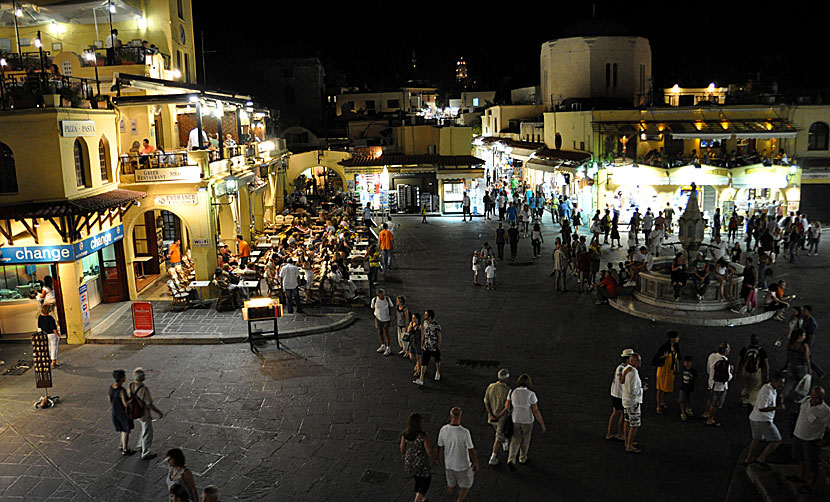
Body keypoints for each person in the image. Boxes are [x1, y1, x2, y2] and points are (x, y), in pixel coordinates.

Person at [789, 386, 830, 494]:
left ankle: (811, 484)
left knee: (812, 464)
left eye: (819, 398)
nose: (816, 400)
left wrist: (824, 441)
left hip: (811, 440)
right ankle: (801, 475)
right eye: (815, 397)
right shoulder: (806, 401)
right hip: (798, 435)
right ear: (811, 395)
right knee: (800, 457)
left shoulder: (826, 411)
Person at [503, 373, 546, 470]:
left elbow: (506, 406)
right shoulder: (531, 394)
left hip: (515, 418)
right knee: (525, 439)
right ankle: (522, 458)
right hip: (527, 420)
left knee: (515, 439)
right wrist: (542, 423)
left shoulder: (512, 392)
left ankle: (511, 459)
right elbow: (535, 410)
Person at [743, 373, 785, 468]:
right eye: (780, 383)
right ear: (774, 381)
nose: (782, 385)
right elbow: (762, 408)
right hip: (763, 420)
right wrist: (777, 408)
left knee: (756, 439)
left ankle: (748, 458)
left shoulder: (767, 387)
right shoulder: (768, 392)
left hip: (754, 418)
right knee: (776, 440)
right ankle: (761, 458)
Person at [437, 407, 478, 502]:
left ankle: (452, 498)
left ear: (451, 416)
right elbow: (471, 450)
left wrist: (438, 458)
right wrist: (476, 462)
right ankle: (459, 500)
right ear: (460, 416)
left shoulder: (443, 429)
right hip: (462, 465)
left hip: (449, 464)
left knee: (451, 484)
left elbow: (440, 446)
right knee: (465, 485)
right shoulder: (465, 432)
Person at [129, 367, 164, 460]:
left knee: (144, 429)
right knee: (148, 432)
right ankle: (146, 452)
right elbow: (149, 404)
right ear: (142, 377)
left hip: (135, 412)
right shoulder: (144, 389)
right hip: (144, 413)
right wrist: (158, 412)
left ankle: (140, 445)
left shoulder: (131, 385)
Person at [400, 412, 435, 502]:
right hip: (421, 462)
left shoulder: (406, 434)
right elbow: (429, 450)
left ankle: (420, 498)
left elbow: (402, 447)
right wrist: (435, 459)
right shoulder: (423, 435)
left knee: (417, 478)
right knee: (426, 480)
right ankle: (418, 499)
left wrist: (404, 454)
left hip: (410, 461)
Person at [483, 369, 511, 465]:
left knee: (498, 432)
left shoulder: (490, 387)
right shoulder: (508, 391)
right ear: (506, 379)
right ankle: (493, 457)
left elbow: (486, 402)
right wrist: (498, 416)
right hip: (501, 418)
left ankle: (504, 443)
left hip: (492, 417)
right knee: (498, 437)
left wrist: (491, 414)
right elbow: (507, 407)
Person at [620, 353, 646, 453]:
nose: (640, 362)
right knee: (634, 424)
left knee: (627, 421)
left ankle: (627, 441)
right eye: (638, 360)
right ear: (631, 361)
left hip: (626, 401)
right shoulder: (633, 373)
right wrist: (642, 389)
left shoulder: (626, 369)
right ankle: (629, 445)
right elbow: (633, 390)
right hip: (633, 402)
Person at [737, 334, 769, 407]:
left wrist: (737, 371)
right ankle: (752, 402)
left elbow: (739, 361)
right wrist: (767, 374)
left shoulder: (745, 349)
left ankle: (744, 400)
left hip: (745, 371)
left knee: (746, 385)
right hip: (756, 372)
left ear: (750, 341)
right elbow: (766, 364)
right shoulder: (761, 351)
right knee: (755, 387)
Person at [705, 342, 733, 427]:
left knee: (710, 398)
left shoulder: (712, 356)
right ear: (726, 351)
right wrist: (731, 371)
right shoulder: (725, 361)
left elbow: (708, 369)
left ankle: (706, 413)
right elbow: (727, 377)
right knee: (715, 403)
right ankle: (710, 419)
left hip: (711, 383)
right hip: (720, 386)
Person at [607, 349, 632, 441]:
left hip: (616, 393)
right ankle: (619, 433)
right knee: (621, 414)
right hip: (619, 395)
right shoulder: (623, 368)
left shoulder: (622, 367)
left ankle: (613, 433)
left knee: (617, 413)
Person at [653, 331, 680, 414]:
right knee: (660, 388)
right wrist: (663, 357)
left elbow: (677, 359)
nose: (678, 339)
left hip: (671, 370)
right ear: (672, 339)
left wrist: (677, 368)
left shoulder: (676, 346)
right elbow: (656, 358)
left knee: (666, 387)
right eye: (677, 337)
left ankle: (662, 400)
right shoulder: (664, 347)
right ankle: (658, 405)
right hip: (663, 370)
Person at [781, 328, 812, 404]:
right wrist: (810, 369)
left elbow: (788, 355)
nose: (804, 336)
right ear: (799, 336)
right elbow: (806, 358)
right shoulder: (804, 346)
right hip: (801, 367)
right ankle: (799, 398)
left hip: (791, 365)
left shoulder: (790, 344)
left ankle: (782, 395)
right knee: (802, 383)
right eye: (803, 335)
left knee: (790, 382)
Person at [109, 369, 135, 455]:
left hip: (115, 412)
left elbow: (110, 399)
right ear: (121, 378)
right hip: (122, 414)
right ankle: (125, 449)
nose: (125, 378)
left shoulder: (111, 387)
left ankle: (121, 445)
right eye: (124, 376)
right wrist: (132, 399)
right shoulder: (121, 390)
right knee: (125, 431)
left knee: (122, 430)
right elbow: (126, 404)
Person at [414, 309, 442, 386]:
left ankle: (437, 372)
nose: (424, 316)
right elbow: (423, 334)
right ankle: (421, 379)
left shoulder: (436, 325)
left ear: (430, 316)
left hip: (434, 346)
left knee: (437, 359)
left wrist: (438, 346)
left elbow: (439, 336)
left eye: (426, 315)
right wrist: (422, 344)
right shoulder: (425, 323)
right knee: (424, 362)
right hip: (427, 346)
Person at [801, 305, 823, 378]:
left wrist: (809, 347)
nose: (802, 312)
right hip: (804, 340)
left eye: (804, 311)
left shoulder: (812, 323)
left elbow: (811, 336)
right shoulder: (805, 318)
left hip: (808, 342)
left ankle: (819, 372)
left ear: (809, 312)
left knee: (807, 358)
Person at [372, 289, 394, 356]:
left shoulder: (387, 299)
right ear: (378, 295)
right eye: (381, 295)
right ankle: (382, 345)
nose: (382, 296)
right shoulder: (374, 300)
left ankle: (388, 347)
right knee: (379, 332)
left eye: (383, 294)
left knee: (386, 332)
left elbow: (391, 306)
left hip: (386, 319)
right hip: (378, 319)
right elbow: (373, 307)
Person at [678, 355, 698, 421]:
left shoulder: (694, 371)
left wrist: (695, 387)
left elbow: (696, 379)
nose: (687, 363)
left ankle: (688, 409)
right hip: (683, 388)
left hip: (690, 388)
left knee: (689, 400)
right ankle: (683, 412)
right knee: (682, 400)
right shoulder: (682, 369)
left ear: (691, 362)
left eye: (688, 362)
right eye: (685, 362)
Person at [407, 312, 423, 377]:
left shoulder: (420, 326)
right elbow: (408, 332)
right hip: (412, 342)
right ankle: (417, 364)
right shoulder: (411, 324)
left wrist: (422, 344)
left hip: (417, 343)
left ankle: (418, 370)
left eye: (414, 318)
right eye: (412, 318)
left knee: (418, 357)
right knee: (411, 356)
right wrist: (410, 328)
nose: (413, 319)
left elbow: (422, 336)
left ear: (418, 319)